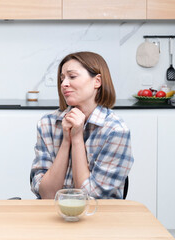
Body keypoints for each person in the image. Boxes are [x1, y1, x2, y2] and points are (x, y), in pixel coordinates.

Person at [30, 51, 134, 199]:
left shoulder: (115, 131)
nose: (64, 84)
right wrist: (66, 141)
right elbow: (47, 195)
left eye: (72, 76)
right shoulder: (48, 123)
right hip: (53, 215)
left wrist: (77, 137)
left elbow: (90, 197)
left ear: (97, 81)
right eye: (62, 79)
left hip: (99, 217)